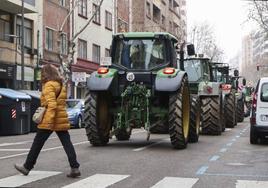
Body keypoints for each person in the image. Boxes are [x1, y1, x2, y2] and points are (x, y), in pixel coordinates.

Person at [14, 64, 81, 178]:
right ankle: (75, 168)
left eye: (42, 73)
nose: (41, 75)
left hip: (50, 119)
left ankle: (27, 167)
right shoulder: (60, 85)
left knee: (37, 144)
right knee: (67, 143)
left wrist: (48, 120)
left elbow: (52, 105)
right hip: (60, 119)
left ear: (46, 74)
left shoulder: (49, 85)